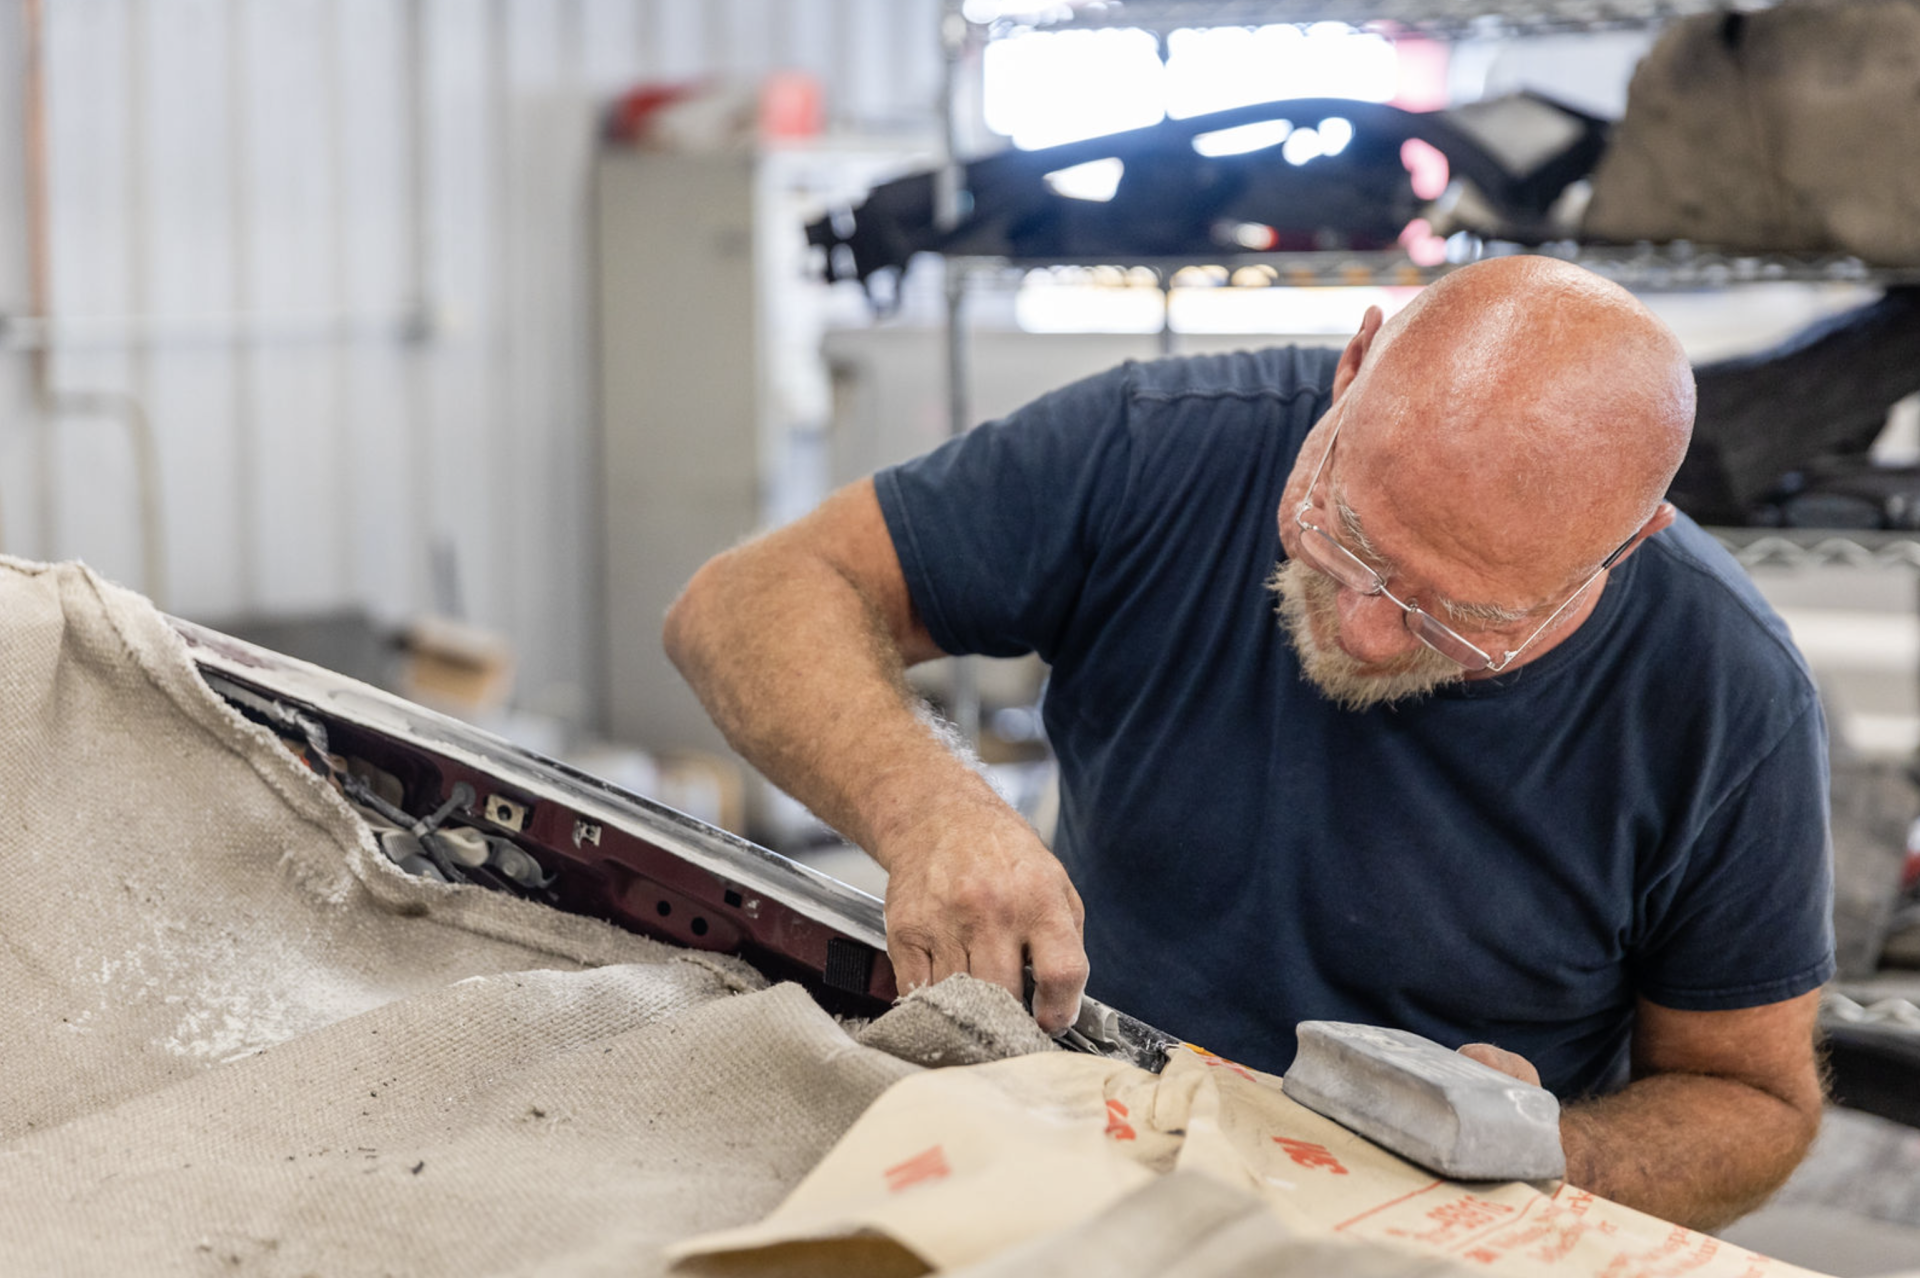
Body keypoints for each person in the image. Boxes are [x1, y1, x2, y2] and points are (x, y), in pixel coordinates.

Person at [663, 256, 1832, 1231]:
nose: (1369, 635)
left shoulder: (1727, 693)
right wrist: (933, 811)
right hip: (1089, 1145)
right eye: (1349, 535)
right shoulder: (1159, 449)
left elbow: (1754, 1102)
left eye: (1457, 618)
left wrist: (1557, 1152)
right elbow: (747, 599)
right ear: (1354, 365)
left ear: (1624, 549)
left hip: (1424, 1232)